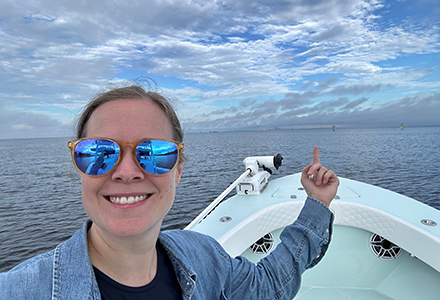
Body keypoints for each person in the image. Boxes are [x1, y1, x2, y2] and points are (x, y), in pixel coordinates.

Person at [0, 83, 339, 299]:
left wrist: (316, 204)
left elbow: (267, 287)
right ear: (80, 169)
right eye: (99, 153)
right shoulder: (20, 291)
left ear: (178, 172)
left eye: (155, 153)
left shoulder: (203, 257)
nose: (127, 172)